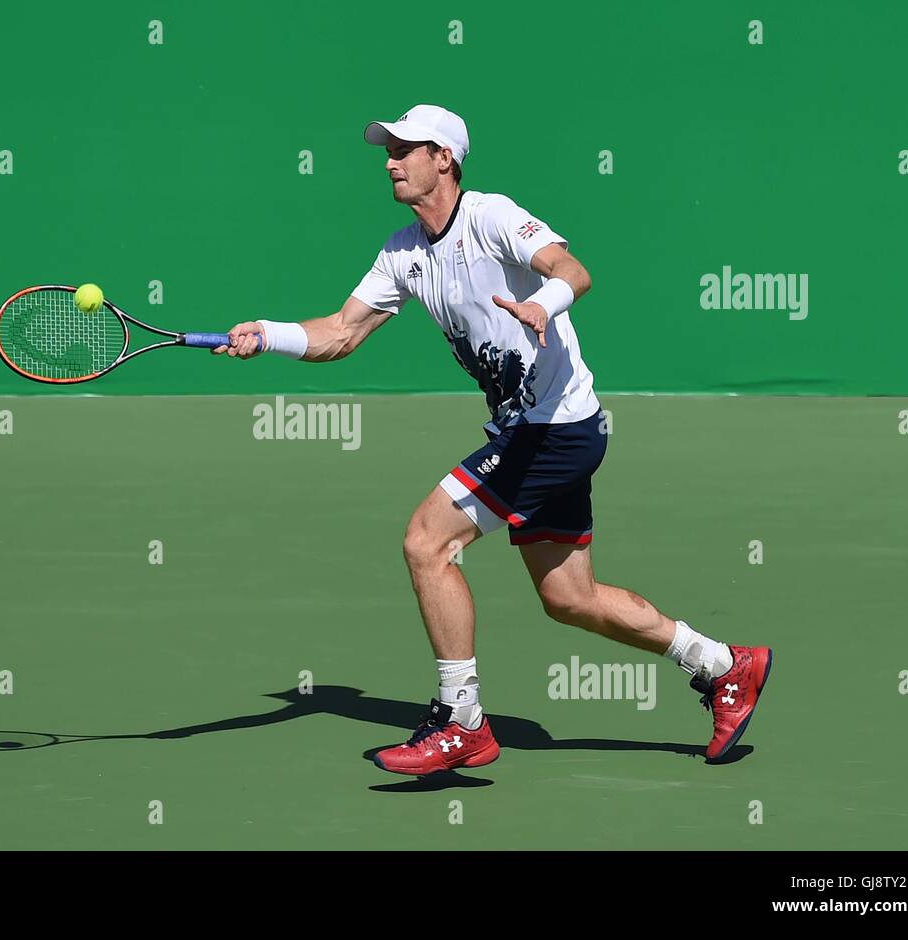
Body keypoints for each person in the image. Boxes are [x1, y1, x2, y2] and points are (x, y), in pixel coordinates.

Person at [214, 104, 772, 774]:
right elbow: (340, 332)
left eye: (404, 149)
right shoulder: (403, 252)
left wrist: (542, 303)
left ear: (442, 158)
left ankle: (462, 721)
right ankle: (723, 665)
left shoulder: (490, 215)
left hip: (555, 430)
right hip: (538, 430)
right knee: (570, 598)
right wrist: (265, 335)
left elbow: (573, 271)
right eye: (387, 150)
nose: (390, 160)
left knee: (428, 541)